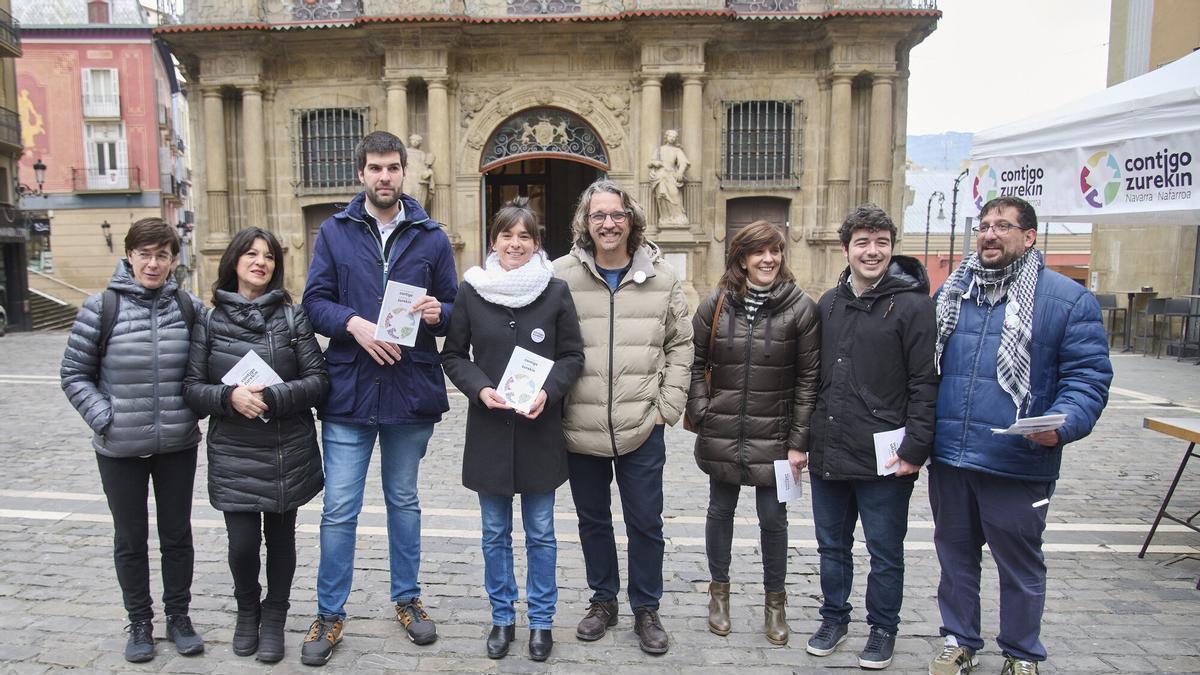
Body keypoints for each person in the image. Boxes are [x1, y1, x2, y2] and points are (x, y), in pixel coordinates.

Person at [927, 196, 1111, 675]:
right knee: (955, 559)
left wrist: (1063, 424)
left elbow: (1088, 379)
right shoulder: (953, 293)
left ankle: (1021, 653)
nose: (989, 234)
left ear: (1029, 237)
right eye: (984, 226)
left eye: (1003, 226)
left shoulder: (1067, 300)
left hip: (1018, 457)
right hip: (951, 456)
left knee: (1020, 566)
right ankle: (959, 640)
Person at [300, 131, 458, 666]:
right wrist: (354, 324)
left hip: (409, 392)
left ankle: (408, 599)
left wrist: (441, 314)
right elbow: (314, 303)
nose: (384, 176)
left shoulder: (432, 238)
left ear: (403, 172)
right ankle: (329, 613)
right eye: (375, 168)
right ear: (361, 174)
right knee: (340, 508)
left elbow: (455, 311)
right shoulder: (335, 233)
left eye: (392, 168)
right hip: (348, 391)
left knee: (404, 503)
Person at [553, 179, 693, 655]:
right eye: (599, 216)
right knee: (592, 520)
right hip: (580, 425)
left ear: (631, 218)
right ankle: (603, 600)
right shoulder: (560, 276)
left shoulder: (662, 276)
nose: (608, 224)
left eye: (616, 215)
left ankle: (646, 608)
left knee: (645, 522)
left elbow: (680, 345)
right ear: (585, 224)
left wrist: (666, 408)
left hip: (641, 425)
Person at [442, 197, 584, 662]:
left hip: (538, 429)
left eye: (525, 236)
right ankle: (502, 617)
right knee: (493, 533)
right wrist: (479, 389)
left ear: (536, 243)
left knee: (541, 532)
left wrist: (549, 391)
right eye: (507, 235)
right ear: (494, 241)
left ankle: (541, 622)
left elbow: (571, 357)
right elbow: (454, 355)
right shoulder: (472, 291)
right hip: (489, 429)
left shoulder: (555, 291)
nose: (515, 244)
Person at [60, 217, 205, 663]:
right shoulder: (99, 307)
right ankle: (140, 621)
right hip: (119, 446)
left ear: (173, 259)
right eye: (144, 254)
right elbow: (74, 374)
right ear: (129, 256)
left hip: (177, 444)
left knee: (176, 535)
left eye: (162, 254)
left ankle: (178, 617)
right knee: (130, 537)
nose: (153, 263)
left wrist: (193, 410)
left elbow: (205, 369)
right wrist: (106, 417)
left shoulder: (188, 307)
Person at [182, 227, 328, 663]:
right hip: (234, 450)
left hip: (285, 447)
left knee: (281, 539)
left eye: (268, 256)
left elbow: (319, 380)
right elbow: (191, 387)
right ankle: (248, 612)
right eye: (251, 254)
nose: (260, 261)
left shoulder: (291, 317)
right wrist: (228, 397)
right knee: (243, 543)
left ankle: (276, 617)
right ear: (234, 262)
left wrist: (273, 397)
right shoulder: (209, 320)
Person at [804, 204, 937, 669]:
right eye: (862, 242)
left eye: (881, 242)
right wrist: (804, 441)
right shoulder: (829, 303)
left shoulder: (914, 306)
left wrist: (915, 448)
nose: (872, 251)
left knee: (884, 551)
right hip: (831, 447)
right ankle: (834, 617)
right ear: (846, 249)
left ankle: (882, 628)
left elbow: (925, 382)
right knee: (831, 545)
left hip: (887, 457)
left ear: (891, 248)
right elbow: (815, 378)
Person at [687, 220, 820, 646]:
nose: (768, 259)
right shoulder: (716, 303)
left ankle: (774, 603)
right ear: (741, 258)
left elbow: (809, 379)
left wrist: (799, 441)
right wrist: (701, 411)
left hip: (777, 434)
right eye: (759, 252)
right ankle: (719, 596)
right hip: (723, 427)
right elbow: (694, 362)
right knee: (719, 513)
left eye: (775, 251)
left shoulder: (801, 308)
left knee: (772, 519)